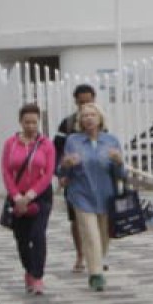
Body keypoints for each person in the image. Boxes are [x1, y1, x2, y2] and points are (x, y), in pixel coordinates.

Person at [57, 103, 126, 293]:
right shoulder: (73, 140)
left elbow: (122, 173)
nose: (88, 119)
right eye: (85, 116)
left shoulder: (111, 140)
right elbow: (61, 169)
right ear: (80, 121)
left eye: (92, 115)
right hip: (81, 194)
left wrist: (119, 162)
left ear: (100, 119)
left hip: (106, 194)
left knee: (103, 237)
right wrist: (66, 164)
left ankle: (97, 262)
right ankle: (95, 274)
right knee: (90, 234)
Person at [1, 102, 57, 295]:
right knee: (22, 238)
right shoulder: (11, 143)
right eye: (27, 122)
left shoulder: (46, 144)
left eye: (34, 122)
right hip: (17, 195)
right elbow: (7, 171)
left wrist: (31, 195)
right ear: (20, 122)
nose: (31, 126)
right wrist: (17, 196)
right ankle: (28, 269)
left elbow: (48, 173)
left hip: (40, 196)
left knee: (38, 234)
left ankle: (38, 275)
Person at [54, 83, 97, 274]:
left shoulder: (101, 122)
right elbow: (56, 151)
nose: (85, 107)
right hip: (74, 180)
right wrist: (61, 174)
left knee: (97, 218)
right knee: (76, 219)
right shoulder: (67, 124)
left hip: (96, 180)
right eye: (81, 103)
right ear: (76, 103)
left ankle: (95, 255)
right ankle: (80, 254)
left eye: (88, 102)